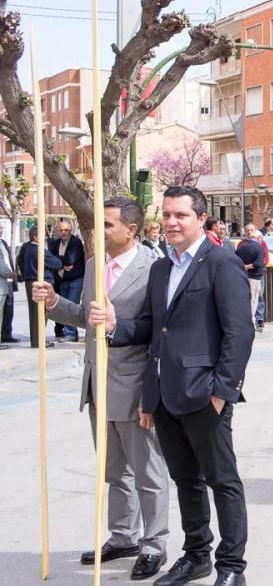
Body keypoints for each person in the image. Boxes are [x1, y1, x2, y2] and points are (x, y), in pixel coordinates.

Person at [89, 186, 254, 586]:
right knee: (185, 481)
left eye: (180, 215)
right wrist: (115, 327)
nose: (172, 222)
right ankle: (196, 555)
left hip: (205, 393)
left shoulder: (221, 262)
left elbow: (239, 332)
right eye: (166, 215)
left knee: (222, 481)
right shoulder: (162, 267)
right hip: (165, 395)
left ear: (200, 218)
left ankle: (231, 566)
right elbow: (154, 332)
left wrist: (222, 391)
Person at [35, 197, 170, 580]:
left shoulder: (154, 270)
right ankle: (123, 535)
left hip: (134, 385)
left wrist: (151, 392)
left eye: (108, 224)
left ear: (131, 229)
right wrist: (54, 302)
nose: (99, 231)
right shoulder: (95, 265)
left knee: (148, 472)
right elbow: (84, 317)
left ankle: (154, 543)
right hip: (97, 384)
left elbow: (155, 329)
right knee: (114, 471)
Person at [17, 226, 62, 348]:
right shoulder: (39, 250)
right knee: (40, 313)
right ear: (35, 236)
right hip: (40, 282)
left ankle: (35, 340)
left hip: (30, 281)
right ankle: (38, 341)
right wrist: (60, 259)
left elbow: (19, 261)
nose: (46, 238)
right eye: (43, 235)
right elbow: (57, 263)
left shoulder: (26, 248)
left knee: (34, 313)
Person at [49, 220, 86, 343]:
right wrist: (61, 264)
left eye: (66, 230)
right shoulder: (56, 243)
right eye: (61, 230)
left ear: (71, 231)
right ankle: (67, 332)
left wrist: (60, 262)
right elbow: (50, 258)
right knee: (64, 306)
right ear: (58, 231)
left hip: (75, 278)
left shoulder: (75, 242)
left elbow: (71, 260)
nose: (64, 232)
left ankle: (71, 334)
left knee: (72, 304)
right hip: (62, 279)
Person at [235, 226, 265, 325]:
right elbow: (259, 263)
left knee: (242, 300)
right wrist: (248, 266)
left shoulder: (241, 246)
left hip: (241, 277)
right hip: (254, 277)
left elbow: (235, 260)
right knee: (253, 300)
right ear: (259, 238)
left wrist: (243, 267)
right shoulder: (259, 248)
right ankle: (250, 323)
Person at [0, 222, 15, 343]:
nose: (0, 230)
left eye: (1, 228)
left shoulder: (3, 243)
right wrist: (10, 273)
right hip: (3, 280)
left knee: (8, 310)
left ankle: (6, 334)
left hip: (8, 282)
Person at [252, 228, 269, 331]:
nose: (249, 232)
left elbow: (265, 258)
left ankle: (259, 318)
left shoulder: (262, 244)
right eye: (248, 230)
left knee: (260, 295)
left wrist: (259, 266)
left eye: (251, 230)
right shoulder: (243, 243)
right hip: (250, 274)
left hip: (259, 272)